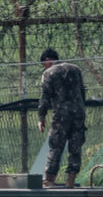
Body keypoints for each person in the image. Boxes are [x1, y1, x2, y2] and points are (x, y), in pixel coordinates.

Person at [37, 49, 86, 189]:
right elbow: (82, 92)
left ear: (47, 60)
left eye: (44, 64)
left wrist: (41, 117)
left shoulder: (49, 73)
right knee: (75, 147)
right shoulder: (75, 69)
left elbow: (45, 97)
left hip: (61, 115)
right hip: (79, 113)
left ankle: (49, 179)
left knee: (56, 146)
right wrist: (82, 110)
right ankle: (71, 179)